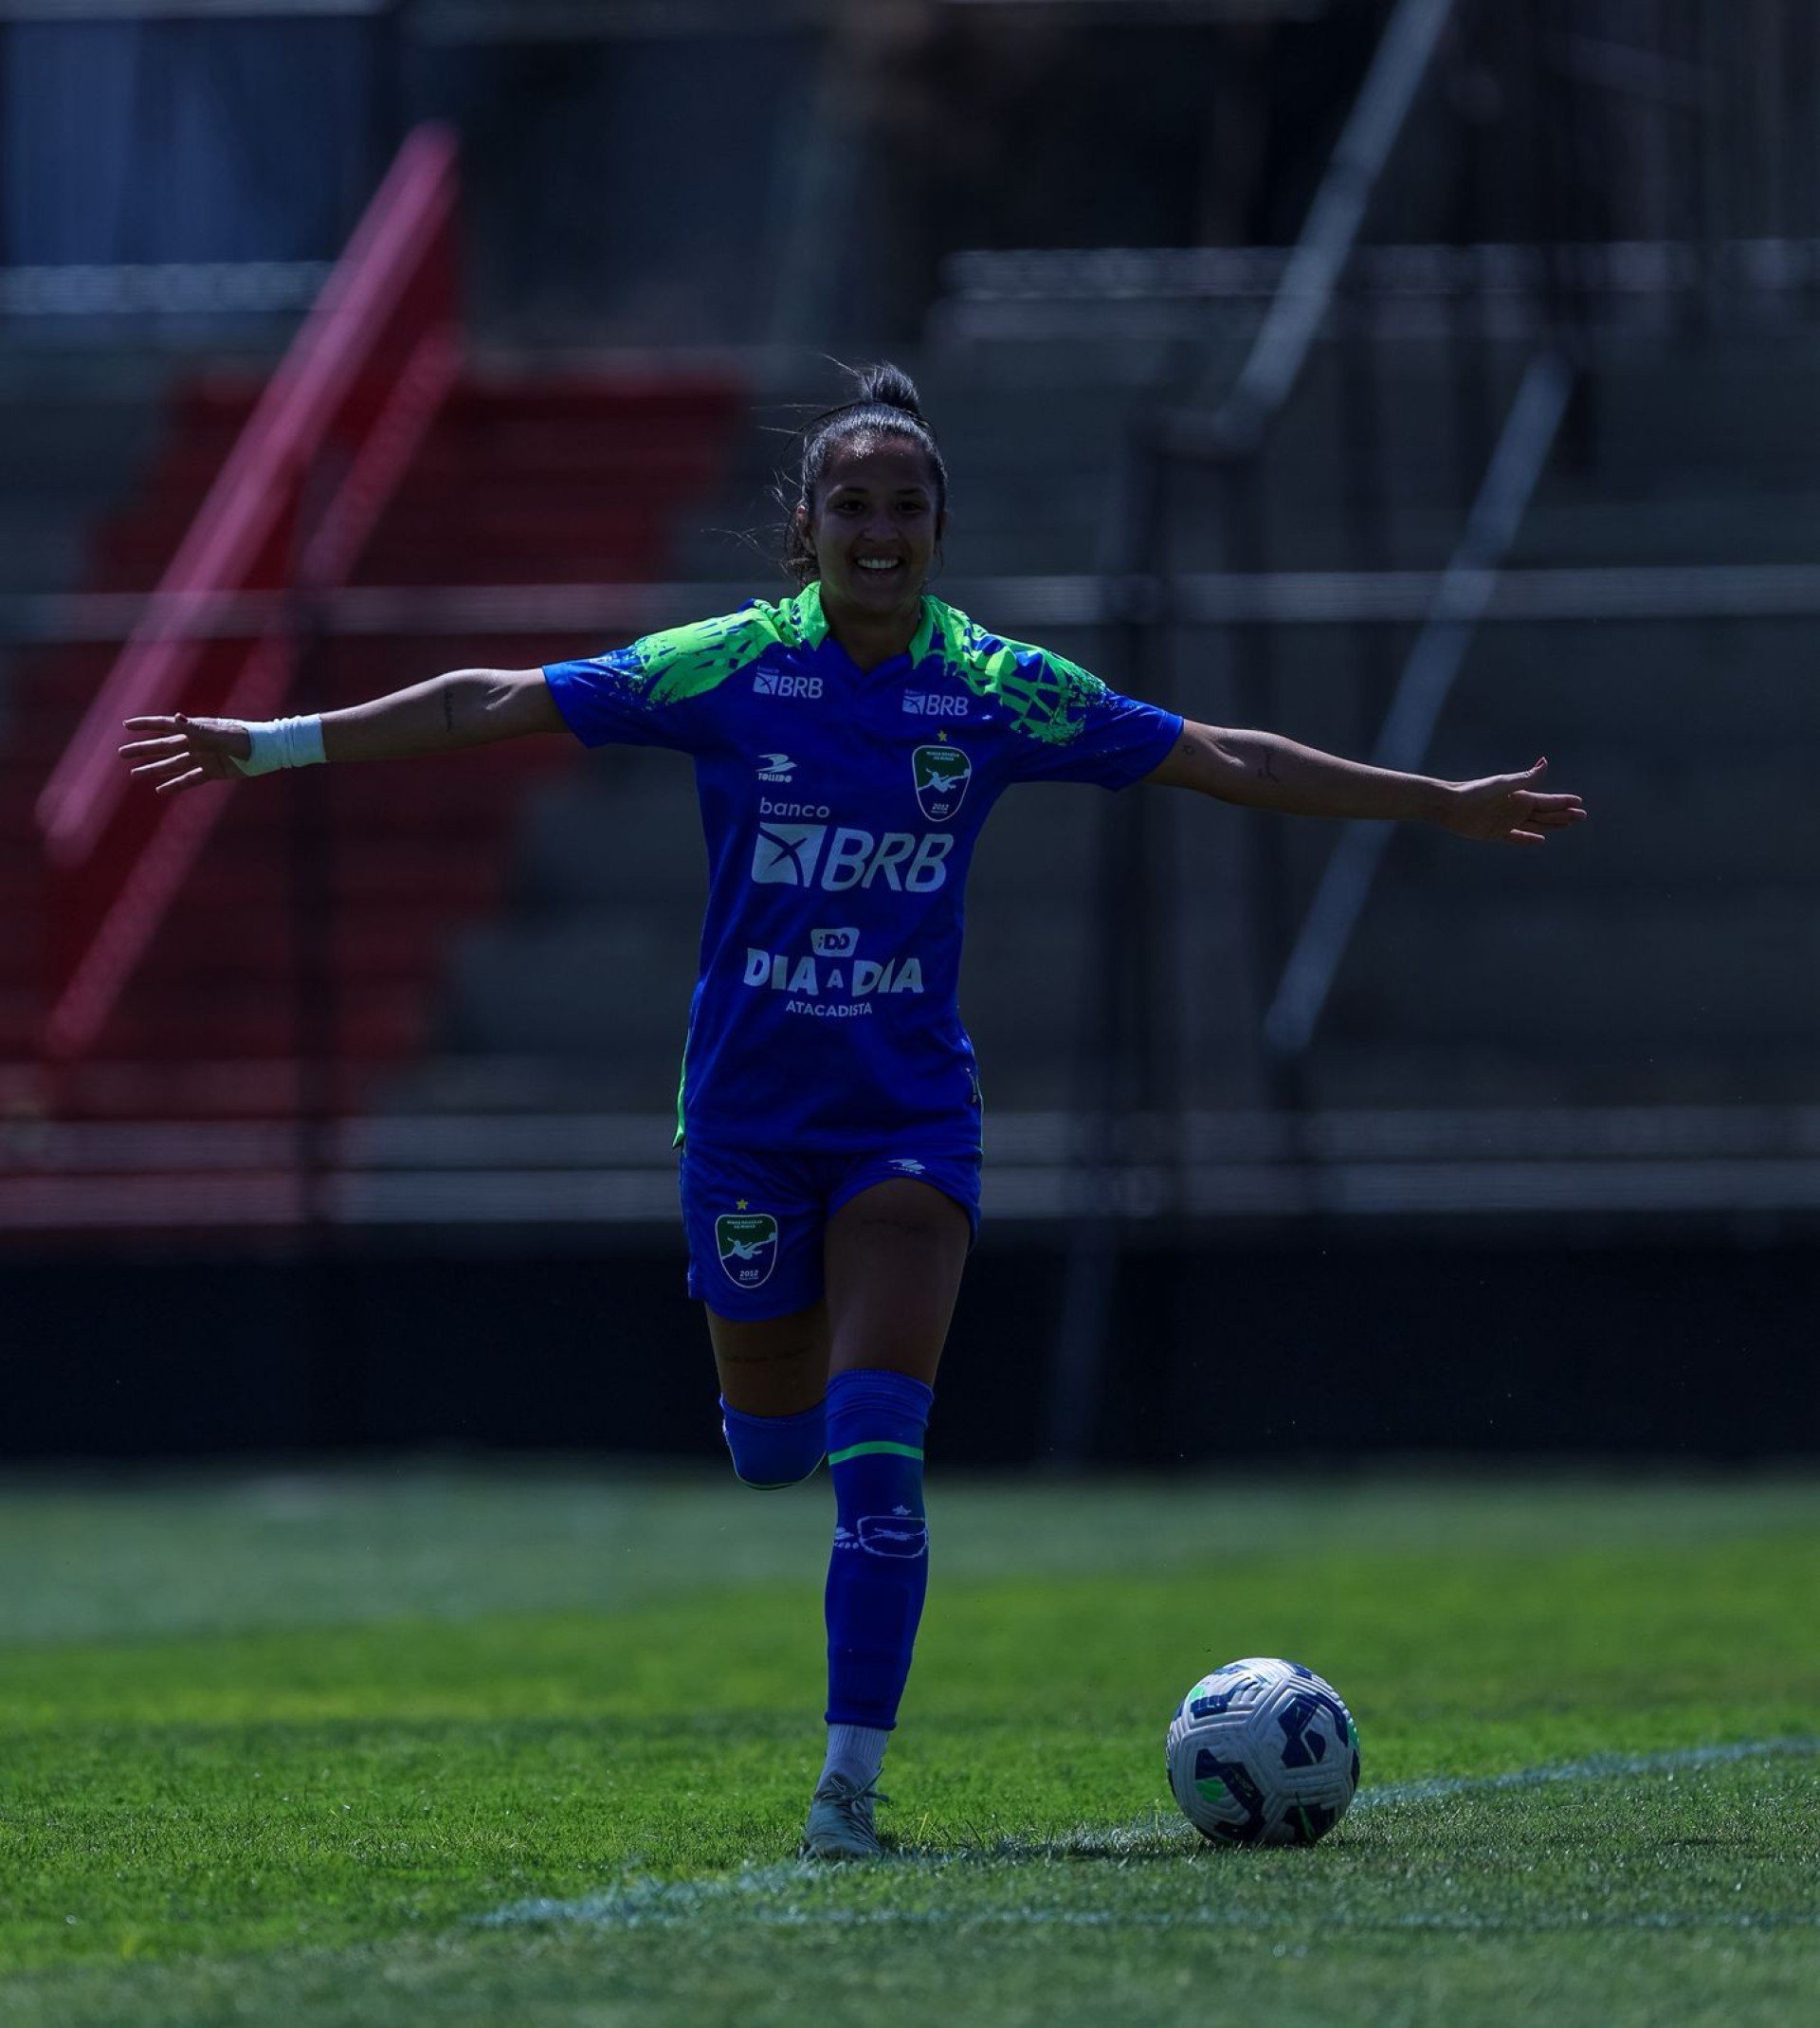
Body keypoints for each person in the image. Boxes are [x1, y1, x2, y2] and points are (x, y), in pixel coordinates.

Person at [118, 363, 1585, 1860]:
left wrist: (1436, 801)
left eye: (906, 507)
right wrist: (272, 743)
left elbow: (1216, 755)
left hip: (907, 1124)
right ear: (806, 526)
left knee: (880, 1467)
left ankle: (845, 1799)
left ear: (940, 528)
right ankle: (787, 1393)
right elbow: (492, 699)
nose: (880, 532)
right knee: (772, 1450)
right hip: (748, 1126)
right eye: (853, 506)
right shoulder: (730, 668)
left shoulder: (996, 687)